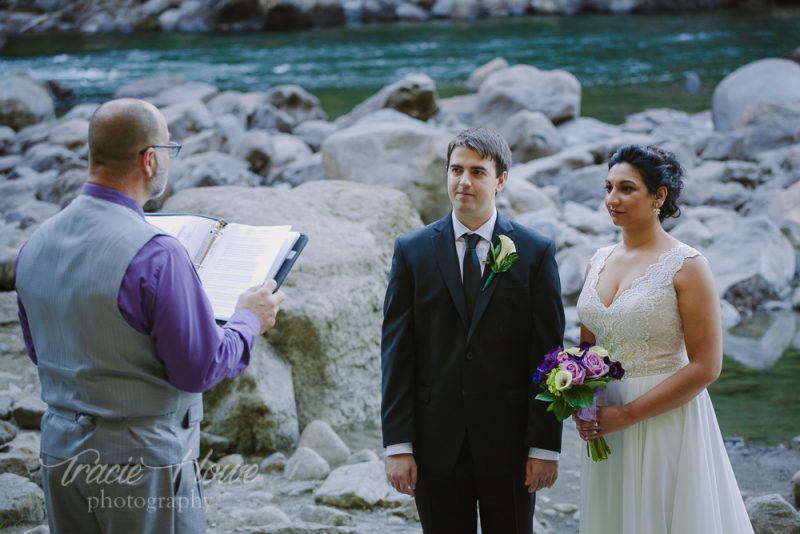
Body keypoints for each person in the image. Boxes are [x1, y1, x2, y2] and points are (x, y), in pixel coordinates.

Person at [15, 98, 286, 533]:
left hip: (61, 451)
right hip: (141, 462)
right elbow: (198, 369)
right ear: (149, 159)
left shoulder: (35, 244)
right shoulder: (157, 254)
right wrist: (248, 319)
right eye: (168, 149)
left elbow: (38, 350)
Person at [381, 127, 565, 533]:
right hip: (435, 443)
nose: (464, 181)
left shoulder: (534, 253)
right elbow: (397, 352)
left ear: (500, 181)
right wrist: (398, 445)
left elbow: (549, 355)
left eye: (478, 172)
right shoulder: (412, 252)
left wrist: (545, 445)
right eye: (456, 170)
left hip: (512, 444)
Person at [574, 144, 754, 534]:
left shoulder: (688, 266)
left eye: (626, 188)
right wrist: (582, 402)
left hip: (664, 416)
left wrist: (629, 414)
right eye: (608, 187)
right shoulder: (597, 259)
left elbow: (707, 366)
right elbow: (587, 349)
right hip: (607, 418)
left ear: (659, 196)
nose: (612, 199)